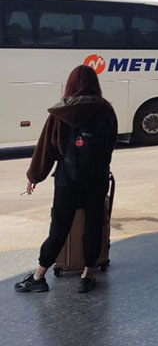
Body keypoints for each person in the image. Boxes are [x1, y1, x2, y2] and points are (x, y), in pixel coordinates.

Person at [16, 65, 118, 294]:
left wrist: (34, 176)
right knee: (93, 225)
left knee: (60, 227)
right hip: (97, 178)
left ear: (70, 83)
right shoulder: (106, 110)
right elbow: (110, 143)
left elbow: (46, 148)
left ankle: (39, 276)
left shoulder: (59, 113)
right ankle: (86, 275)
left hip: (66, 180)